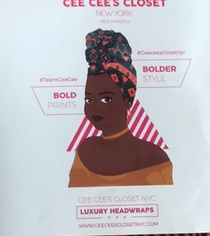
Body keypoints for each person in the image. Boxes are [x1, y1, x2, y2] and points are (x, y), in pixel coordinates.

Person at [68, 29, 173, 187]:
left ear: (126, 101)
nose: (94, 108)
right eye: (88, 100)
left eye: (106, 99)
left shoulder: (154, 158)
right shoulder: (85, 150)